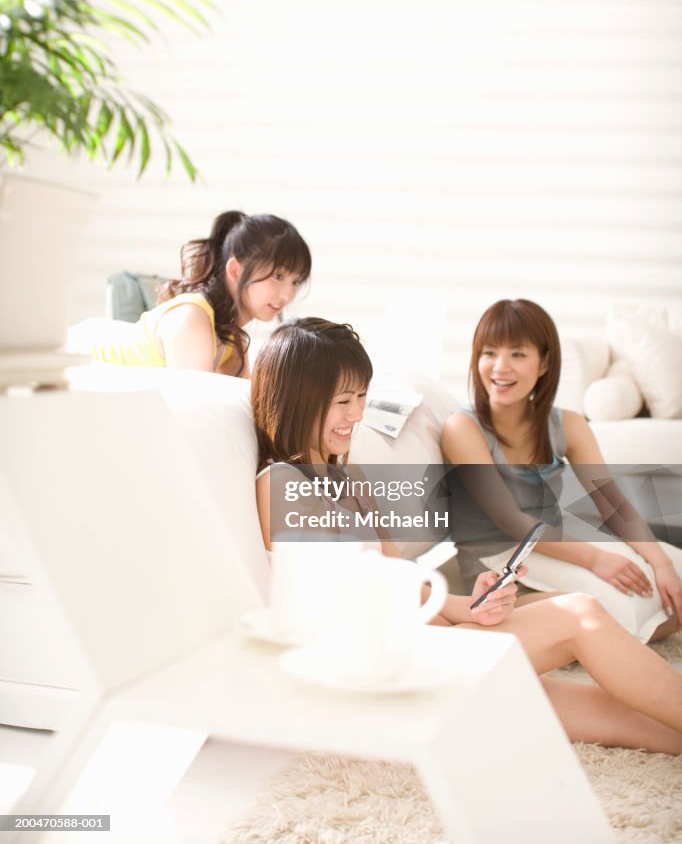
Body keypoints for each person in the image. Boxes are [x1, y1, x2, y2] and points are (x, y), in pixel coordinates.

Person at [252, 317, 682, 754]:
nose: (357, 414)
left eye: (362, 397)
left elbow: (397, 577)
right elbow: (356, 593)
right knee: (579, 614)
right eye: (343, 400)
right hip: (377, 663)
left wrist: (471, 608)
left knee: (640, 721)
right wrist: (463, 611)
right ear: (298, 400)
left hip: (417, 639)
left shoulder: (351, 478)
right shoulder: (282, 483)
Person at [441, 298, 682, 641]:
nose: (499, 367)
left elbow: (613, 504)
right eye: (489, 353)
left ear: (544, 364)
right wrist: (595, 559)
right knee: (618, 609)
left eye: (518, 354)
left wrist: (660, 564)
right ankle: (494, 612)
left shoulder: (567, 423)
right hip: (498, 555)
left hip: (555, 538)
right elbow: (509, 520)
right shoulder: (461, 428)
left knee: (673, 570)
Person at [68, 211, 311, 376]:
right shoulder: (191, 319)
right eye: (278, 276)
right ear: (235, 270)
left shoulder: (232, 341)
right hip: (75, 356)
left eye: (295, 281)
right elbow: (194, 412)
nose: (286, 294)